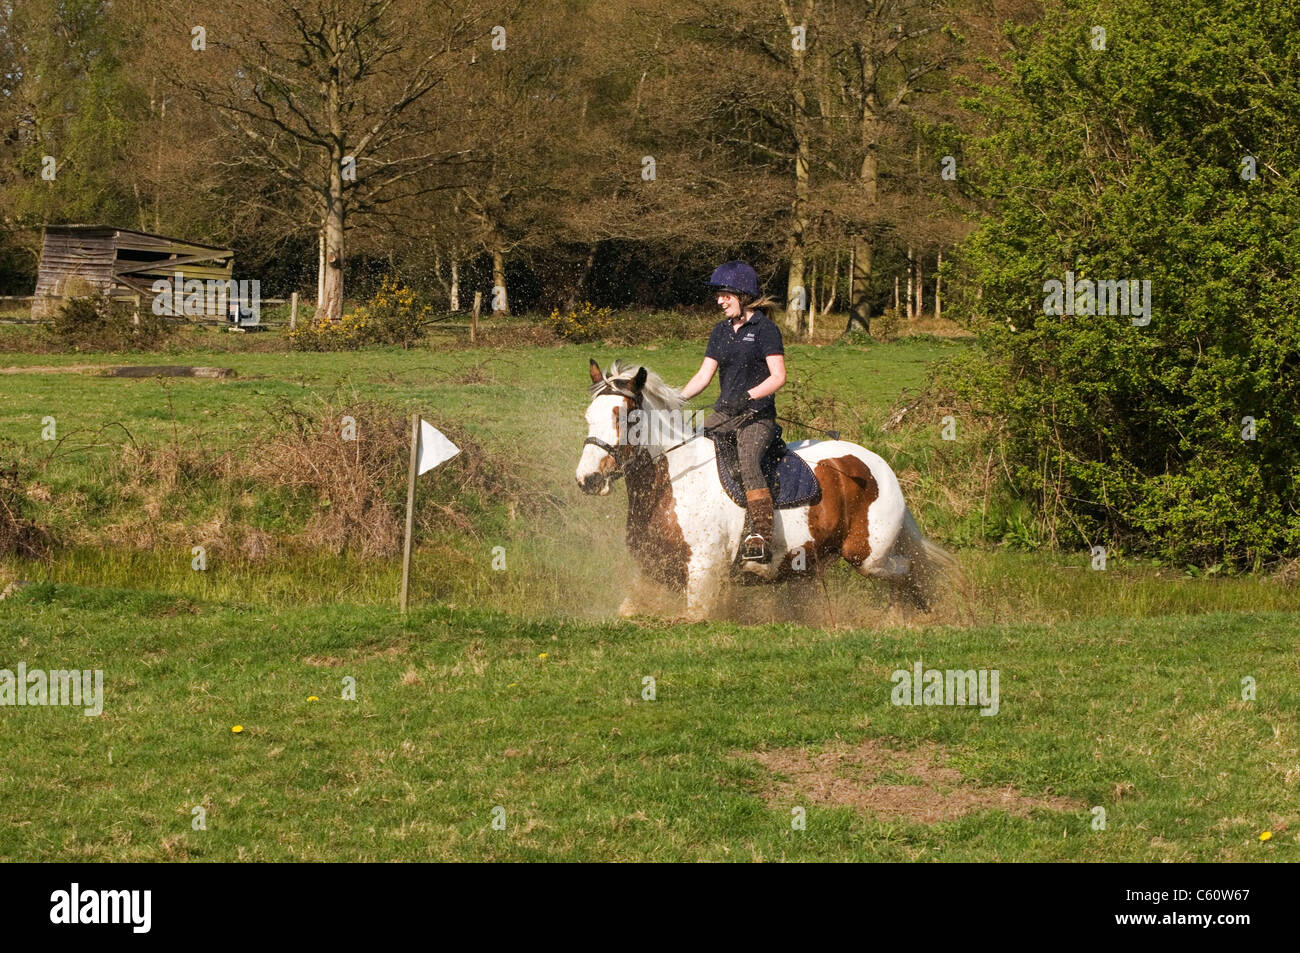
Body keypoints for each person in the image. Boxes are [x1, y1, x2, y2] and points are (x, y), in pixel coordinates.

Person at [679, 261, 786, 567]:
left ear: (742, 295)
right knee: (692, 451)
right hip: (724, 414)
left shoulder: (765, 329)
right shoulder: (720, 332)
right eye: (719, 295)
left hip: (757, 416)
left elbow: (778, 376)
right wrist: (677, 399)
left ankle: (759, 536)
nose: (719, 300)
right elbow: (703, 376)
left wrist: (748, 396)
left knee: (748, 458)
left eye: (725, 294)